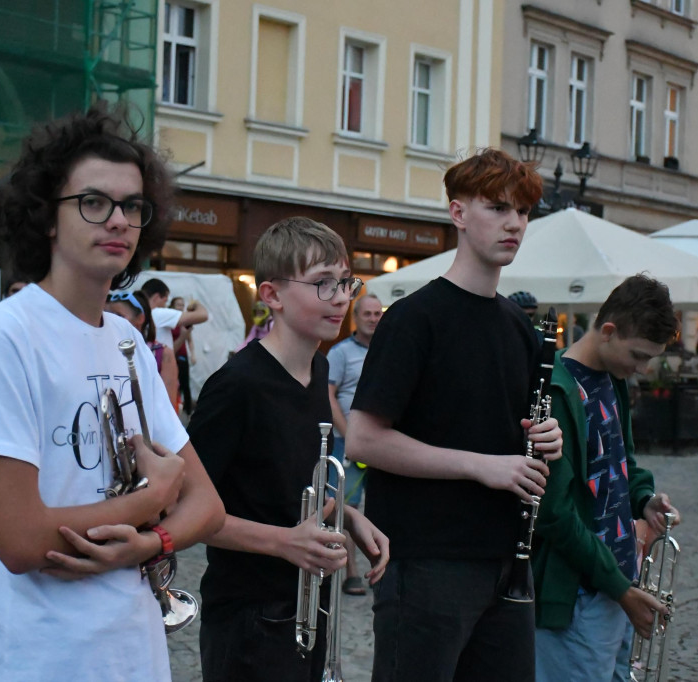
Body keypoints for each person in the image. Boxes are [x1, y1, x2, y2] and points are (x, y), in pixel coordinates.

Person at [0, 104, 224, 681]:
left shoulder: (125, 338)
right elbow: (22, 540)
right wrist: (151, 502)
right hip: (43, 658)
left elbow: (208, 506)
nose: (119, 220)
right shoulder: (9, 334)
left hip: (136, 654)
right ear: (49, 218)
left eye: (132, 206)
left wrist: (149, 544)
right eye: (94, 202)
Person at [346, 148, 563, 682]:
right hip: (426, 563)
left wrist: (546, 437)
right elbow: (364, 441)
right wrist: (482, 465)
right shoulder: (413, 321)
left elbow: (510, 437)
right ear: (458, 213)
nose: (514, 223)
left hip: (508, 561)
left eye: (524, 212)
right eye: (498, 208)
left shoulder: (519, 327)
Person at [188, 216, 390, 682]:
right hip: (247, 616)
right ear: (272, 296)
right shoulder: (235, 386)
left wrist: (349, 516)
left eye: (344, 282)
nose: (342, 297)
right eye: (322, 283)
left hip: (305, 603)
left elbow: (289, 486)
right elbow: (186, 511)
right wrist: (284, 543)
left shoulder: (318, 370)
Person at [532, 274, 682, 682]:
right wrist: (619, 588)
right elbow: (554, 513)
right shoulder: (557, 389)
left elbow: (621, 461)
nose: (642, 368)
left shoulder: (612, 379)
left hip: (615, 582)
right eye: (637, 355)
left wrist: (644, 498)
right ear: (609, 331)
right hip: (579, 591)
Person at [326, 292, 383, 596]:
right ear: (356, 317)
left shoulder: (388, 351)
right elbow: (328, 394)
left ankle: (381, 565)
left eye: (378, 314)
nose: (374, 319)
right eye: (368, 314)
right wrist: (349, 436)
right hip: (344, 444)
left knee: (383, 506)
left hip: (383, 446)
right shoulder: (340, 352)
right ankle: (351, 572)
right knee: (346, 508)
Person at [106, 289, 181, 408]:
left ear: (140, 319)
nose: (111, 320)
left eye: (119, 316)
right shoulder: (104, 350)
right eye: (107, 315)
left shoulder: (161, 353)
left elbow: (168, 407)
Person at [141, 277, 209, 343]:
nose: (165, 306)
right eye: (165, 301)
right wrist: (195, 303)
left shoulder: (142, 313)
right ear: (156, 297)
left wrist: (182, 337)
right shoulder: (157, 313)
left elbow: (169, 351)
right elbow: (203, 315)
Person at [169, 296, 196, 415]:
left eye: (182, 305)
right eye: (178, 305)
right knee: (173, 383)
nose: (180, 307)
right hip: (170, 355)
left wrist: (193, 354)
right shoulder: (169, 320)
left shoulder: (185, 321)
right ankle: (173, 408)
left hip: (182, 355)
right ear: (172, 306)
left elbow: (189, 339)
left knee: (185, 384)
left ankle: (188, 412)